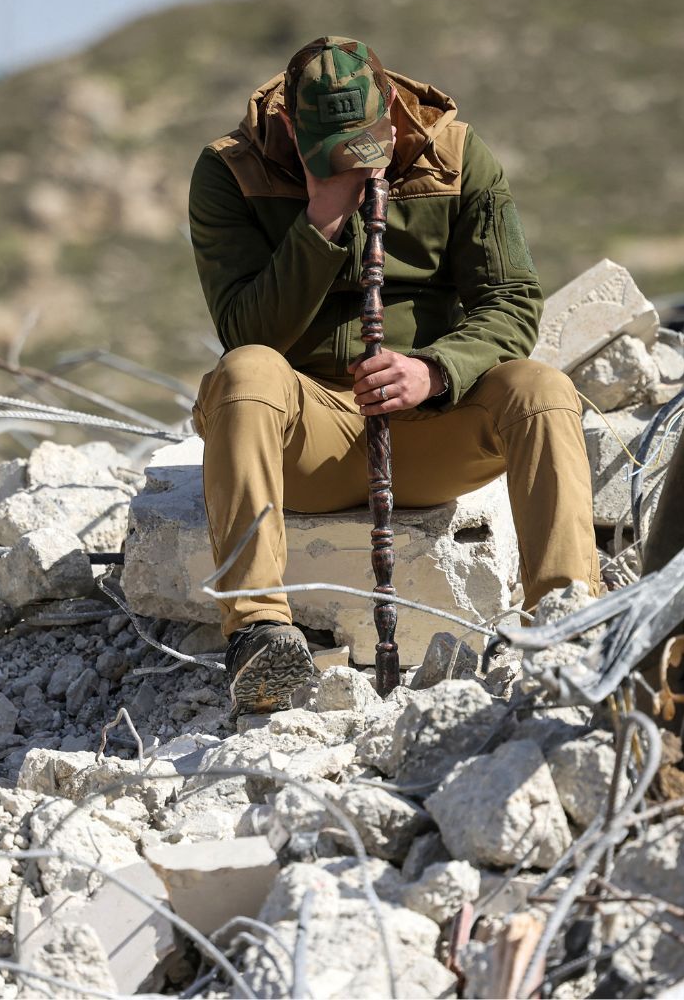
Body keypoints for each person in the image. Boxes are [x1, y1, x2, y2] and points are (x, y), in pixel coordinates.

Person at [187, 36, 601, 714]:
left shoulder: (456, 156)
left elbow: (511, 303)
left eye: (365, 142)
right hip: (307, 436)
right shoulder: (233, 170)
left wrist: (435, 370)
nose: (354, 161)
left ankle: (567, 628)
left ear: (390, 109)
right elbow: (245, 328)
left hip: (429, 426)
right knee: (244, 372)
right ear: (289, 124)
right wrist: (321, 219)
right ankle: (260, 634)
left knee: (541, 390)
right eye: (330, 150)